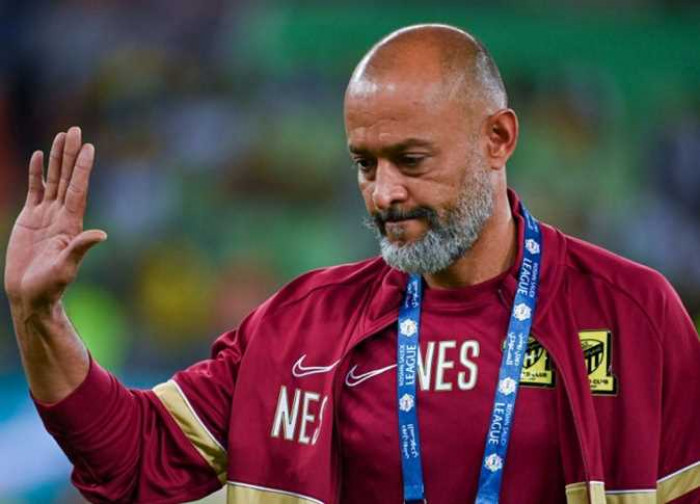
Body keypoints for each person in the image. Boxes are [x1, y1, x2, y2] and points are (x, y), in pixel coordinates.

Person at [4, 24, 700, 504]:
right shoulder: (299, 328)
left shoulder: (633, 314)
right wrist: (40, 318)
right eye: (365, 164)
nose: (384, 192)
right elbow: (135, 457)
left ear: (498, 138)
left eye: (411, 160)